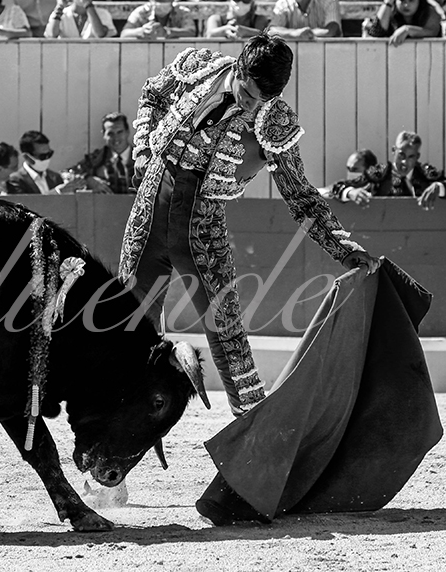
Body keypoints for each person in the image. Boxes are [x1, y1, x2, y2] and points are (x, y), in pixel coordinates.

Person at [119, 35, 379, 419]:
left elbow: (300, 195)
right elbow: (153, 95)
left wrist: (343, 248)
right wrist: (142, 149)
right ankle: (119, 417)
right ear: (238, 67)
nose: (252, 105)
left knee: (227, 333)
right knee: (129, 320)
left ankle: (254, 430)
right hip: (151, 207)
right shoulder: (198, 66)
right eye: (248, 93)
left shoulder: (275, 121)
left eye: (263, 100)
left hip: (202, 225)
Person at [329, 131, 445, 210]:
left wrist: (439, 187)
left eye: (411, 157)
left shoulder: (426, 174)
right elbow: (338, 186)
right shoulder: (379, 173)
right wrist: (351, 192)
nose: (404, 162)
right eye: (401, 155)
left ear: (417, 157)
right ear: (394, 150)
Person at [362, 0, 443, 45]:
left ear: (419, 0)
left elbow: (432, 32)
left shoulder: (429, 12)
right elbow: (376, 33)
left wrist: (408, 30)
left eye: (411, 0)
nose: (406, 5)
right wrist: (387, 2)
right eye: (402, 0)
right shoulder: (389, 10)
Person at [69, 113, 135, 194]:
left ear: (127, 132)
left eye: (119, 132)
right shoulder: (97, 158)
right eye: (110, 133)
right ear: (104, 134)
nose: (116, 138)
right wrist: (89, 179)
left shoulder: (141, 158)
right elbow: (68, 173)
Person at [5, 130, 85, 194]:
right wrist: (57, 192)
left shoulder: (55, 177)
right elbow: (24, 205)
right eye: (42, 156)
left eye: (49, 154)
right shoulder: (15, 180)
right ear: (27, 157)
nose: (47, 159)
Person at [120, 0, 196, 40]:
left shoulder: (182, 12)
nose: (161, 1)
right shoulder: (141, 12)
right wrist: (141, 31)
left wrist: (167, 32)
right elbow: (124, 34)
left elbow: (191, 32)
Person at [204, 0, 270, 39]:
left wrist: (246, 31)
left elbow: (264, 36)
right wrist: (225, 30)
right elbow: (209, 34)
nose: (241, 3)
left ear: (252, 3)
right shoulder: (217, 19)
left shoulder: (259, 19)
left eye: (246, 0)